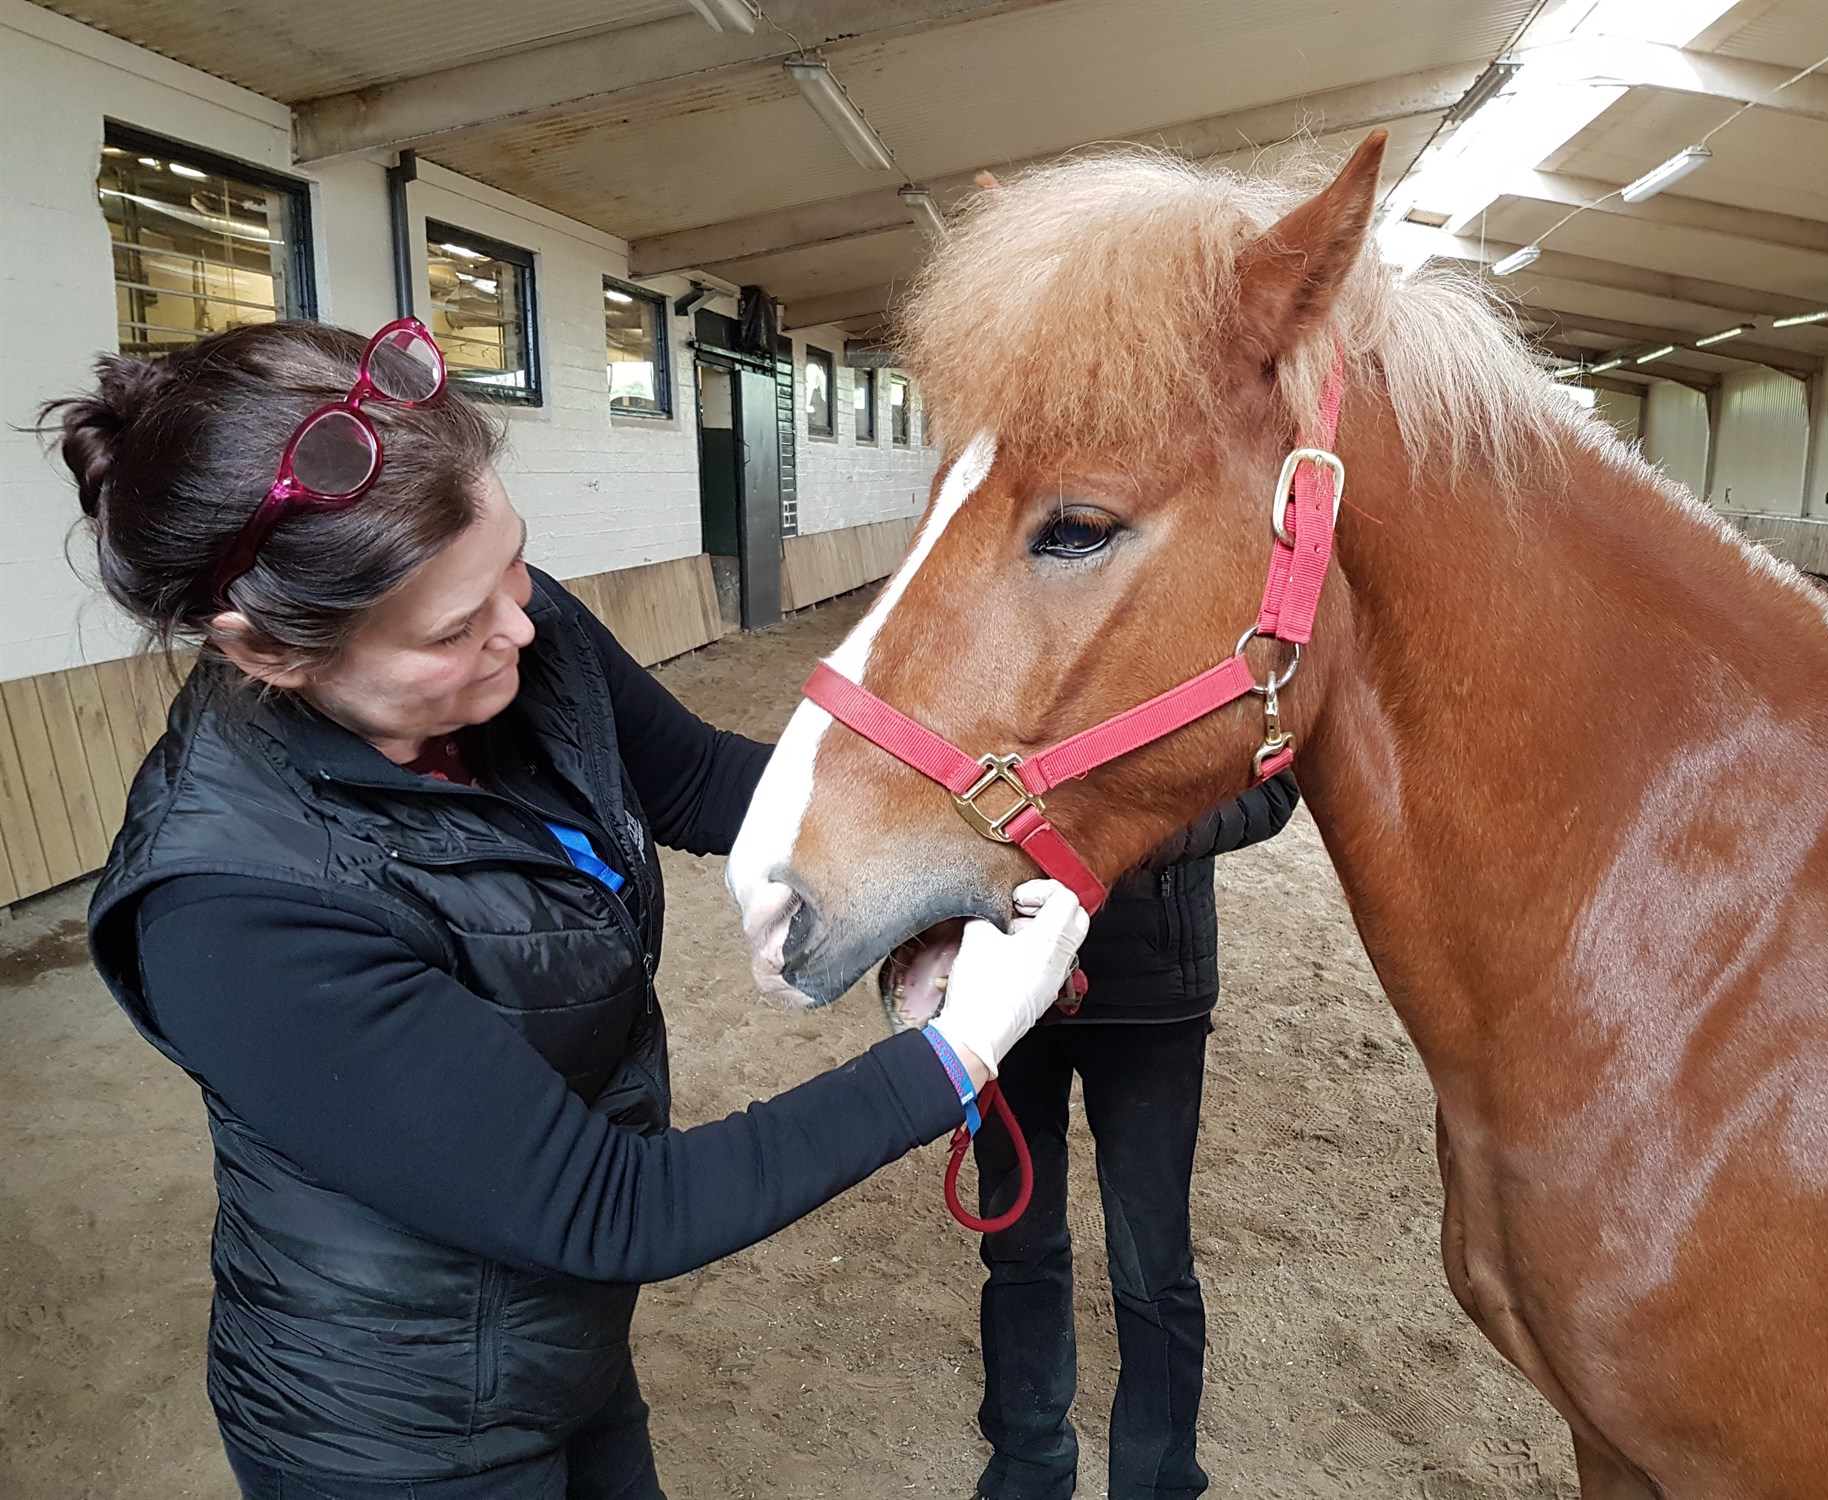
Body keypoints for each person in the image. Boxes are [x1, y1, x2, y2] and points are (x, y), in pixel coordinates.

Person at [45, 317, 1089, 1500]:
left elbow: (693, 780)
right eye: (452, 628)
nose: (521, 625)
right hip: (396, 1428)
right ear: (270, 653)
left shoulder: (516, 638)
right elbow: (611, 1206)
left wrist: (915, 859)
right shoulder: (233, 907)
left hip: (557, 1350)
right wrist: (957, 1053)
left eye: (514, 562)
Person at [969, 778, 1299, 1500]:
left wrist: (1128, 828)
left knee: (1151, 1261)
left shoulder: (1198, 660)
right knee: (1017, 1240)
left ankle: (1159, 1480)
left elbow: (1271, 790)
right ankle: (1027, 1464)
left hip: (1152, 994)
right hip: (1010, 982)